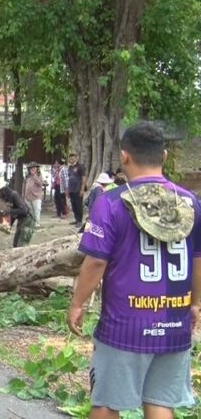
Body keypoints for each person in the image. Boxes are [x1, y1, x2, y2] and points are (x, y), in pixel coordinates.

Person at [68, 122, 201, 418]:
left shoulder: (111, 202)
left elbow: (96, 262)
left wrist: (78, 303)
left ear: (124, 156)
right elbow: (197, 260)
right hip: (174, 324)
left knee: (106, 403)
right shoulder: (190, 202)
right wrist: (195, 303)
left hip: (125, 327)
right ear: (164, 156)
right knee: (160, 403)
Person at [0, 177, 34, 247]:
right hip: (21, 220)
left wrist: (7, 211)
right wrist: (8, 225)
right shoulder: (7, 198)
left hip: (28, 220)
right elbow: (14, 213)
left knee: (22, 245)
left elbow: (24, 210)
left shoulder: (14, 195)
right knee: (15, 244)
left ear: (3, 190)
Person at [67, 152, 88, 228]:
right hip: (71, 189)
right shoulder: (70, 167)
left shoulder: (80, 167)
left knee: (78, 205)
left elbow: (83, 178)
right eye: (70, 158)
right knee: (73, 206)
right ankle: (76, 219)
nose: (71, 160)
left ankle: (79, 221)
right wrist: (68, 190)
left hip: (78, 189)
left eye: (73, 158)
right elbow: (69, 179)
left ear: (76, 158)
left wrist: (82, 189)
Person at [24, 163, 46, 229]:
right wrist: (23, 194)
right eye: (31, 168)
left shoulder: (39, 175)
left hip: (36, 196)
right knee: (30, 211)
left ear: (37, 168)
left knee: (37, 210)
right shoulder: (27, 176)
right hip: (28, 196)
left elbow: (41, 184)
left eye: (34, 168)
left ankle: (37, 224)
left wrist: (34, 175)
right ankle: (31, 223)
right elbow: (24, 185)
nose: (32, 169)